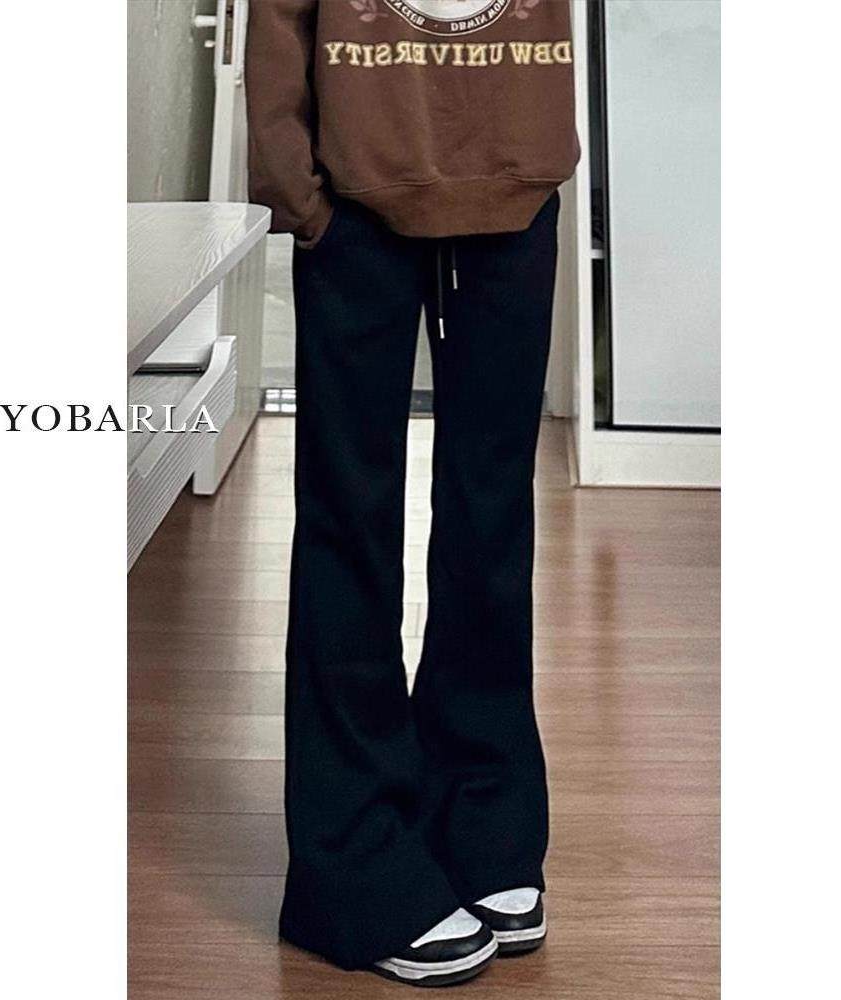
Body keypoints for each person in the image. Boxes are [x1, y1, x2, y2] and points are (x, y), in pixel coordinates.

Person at [245, 0, 579, 986]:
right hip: (351, 198)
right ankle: (348, 859)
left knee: (492, 517)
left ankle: (481, 808)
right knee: (349, 518)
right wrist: (293, 182)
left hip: (516, 182)